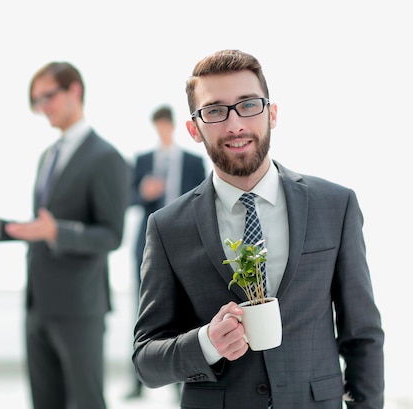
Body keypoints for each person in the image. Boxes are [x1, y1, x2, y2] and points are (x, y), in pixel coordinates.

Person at [132, 49, 384, 408]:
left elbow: (363, 337)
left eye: (248, 105)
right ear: (193, 129)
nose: (235, 125)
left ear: (272, 113)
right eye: (215, 111)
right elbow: (146, 361)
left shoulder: (335, 205)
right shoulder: (167, 227)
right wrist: (206, 343)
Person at [0, 61, 131, 409]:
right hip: (38, 303)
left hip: (79, 307)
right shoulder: (47, 156)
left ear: (75, 91)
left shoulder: (106, 158)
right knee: (44, 401)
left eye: (48, 97)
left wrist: (61, 231)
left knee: (86, 401)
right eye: (37, 101)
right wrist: (0, 226)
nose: (43, 107)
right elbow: (42, 225)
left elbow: (111, 235)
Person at [125, 105, 206, 400]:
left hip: (184, 243)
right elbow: (126, 198)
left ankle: (178, 381)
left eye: (164, 125)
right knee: (143, 312)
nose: (161, 131)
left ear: (171, 126)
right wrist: (142, 193)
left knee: (185, 311)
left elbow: (204, 199)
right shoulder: (143, 161)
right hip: (147, 246)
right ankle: (137, 382)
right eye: (156, 126)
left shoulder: (193, 162)